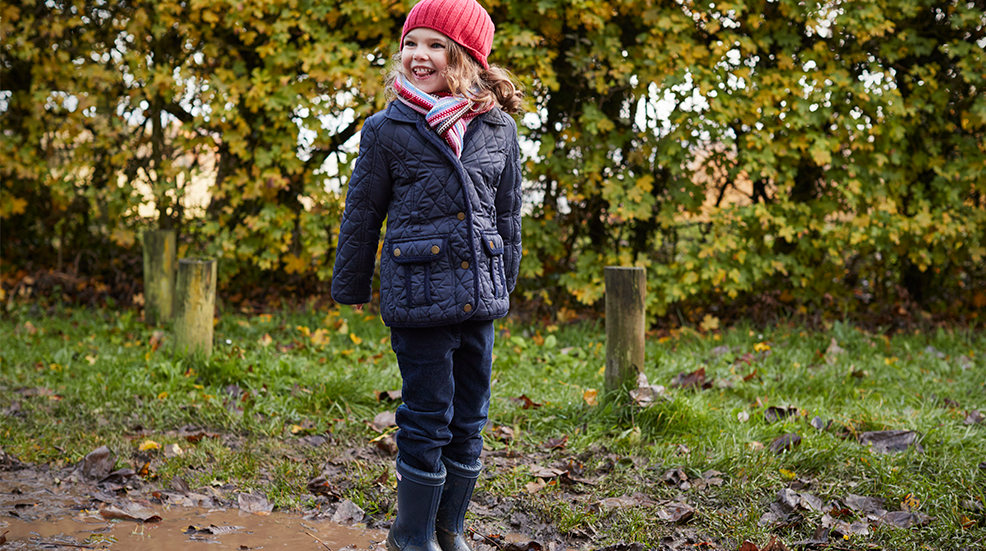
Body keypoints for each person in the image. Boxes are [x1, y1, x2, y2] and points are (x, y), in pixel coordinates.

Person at [330, 0, 523, 549]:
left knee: (470, 416)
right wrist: (352, 284)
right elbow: (363, 211)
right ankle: (411, 535)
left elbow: (507, 212)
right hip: (418, 293)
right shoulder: (386, 129)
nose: (419, 56)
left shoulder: (498, 128)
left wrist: (503, 279)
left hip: (480, 296)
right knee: (427, 414)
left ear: (465, 57)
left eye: (436, 45)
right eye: (412, 44)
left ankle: (449, 528)